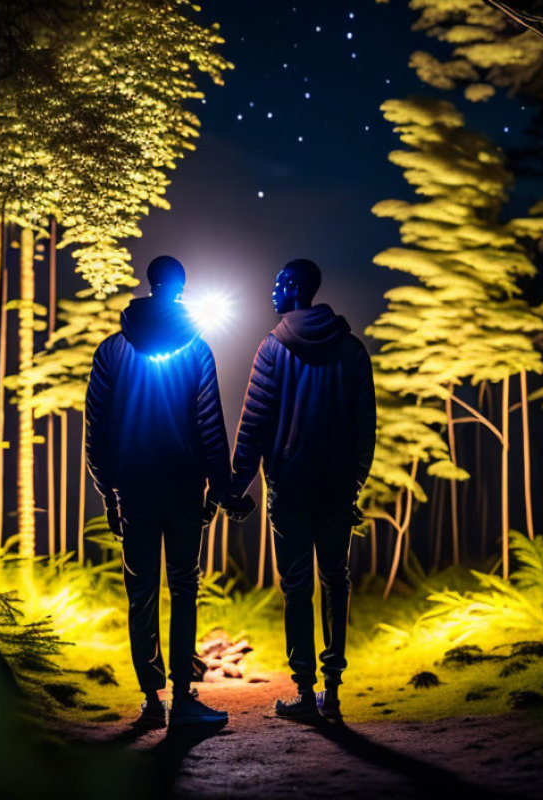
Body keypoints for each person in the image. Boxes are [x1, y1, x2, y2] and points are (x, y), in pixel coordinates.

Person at [85, 255, 231, 727]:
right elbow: (211, 426)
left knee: (140, 592)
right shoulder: (196, 350)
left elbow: (97, 432)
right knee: (184, 589)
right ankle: (184, 698)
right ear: (180, 289)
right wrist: (219, 489)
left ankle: (152, 699)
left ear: (148, 284)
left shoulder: (111, 351)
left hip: (133, 492)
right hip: (186, 489)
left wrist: (108, 494)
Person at [228, 258, 376, 720]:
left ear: (294, 289)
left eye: (277, 285)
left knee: (297, 589)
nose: (272, 293)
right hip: (335, 492)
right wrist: (353, 483)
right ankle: (331, 691)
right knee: (337, 582)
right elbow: (364, 427)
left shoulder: (272, 349)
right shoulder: (351, 350)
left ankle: (304, 689)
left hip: (289, 491)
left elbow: (252, 425)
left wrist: (236, 487)